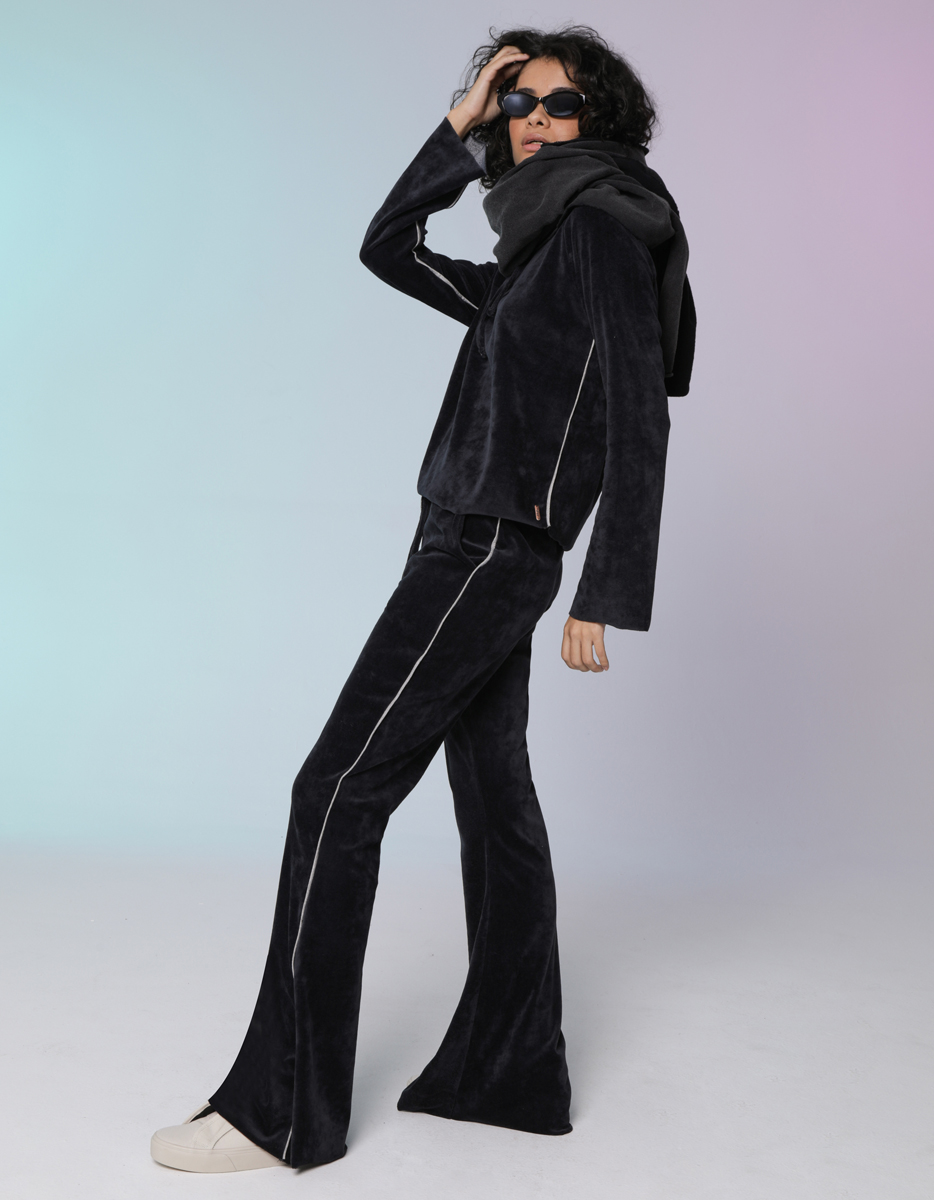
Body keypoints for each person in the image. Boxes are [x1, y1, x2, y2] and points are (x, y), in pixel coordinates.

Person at [150, 23, 694, 1174]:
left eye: (557, 104)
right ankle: (509, 1072)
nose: (533, 123)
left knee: (334, 789)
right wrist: (455, 125)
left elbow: (637, 412)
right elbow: (387, 249)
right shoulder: (535, 252)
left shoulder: (601, 227)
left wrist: (603, 589)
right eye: (517, 105)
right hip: (457, 537)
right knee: (493, 798)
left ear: (600, 119)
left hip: (492, 549)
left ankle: (279, 1114)